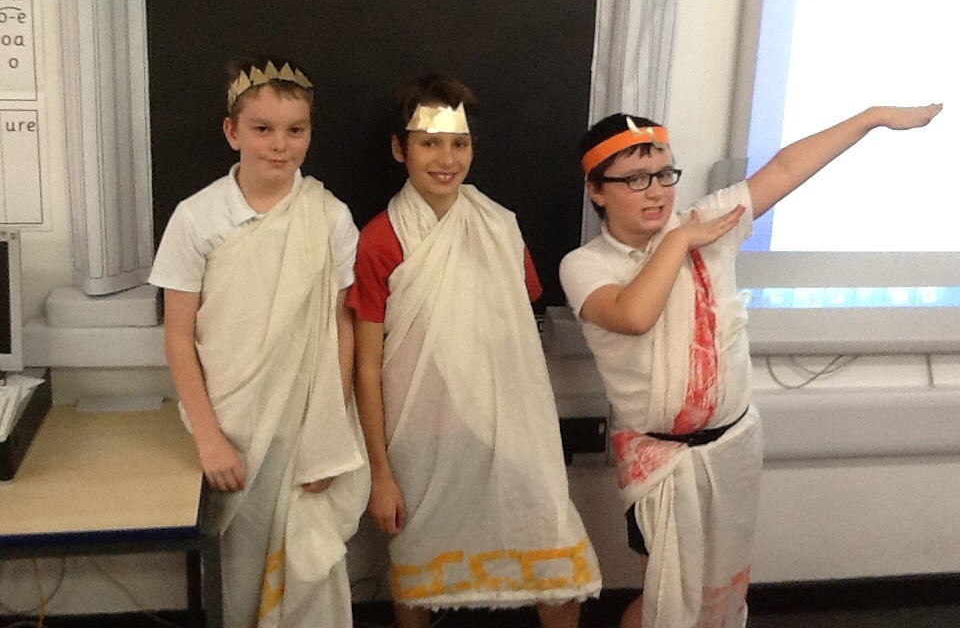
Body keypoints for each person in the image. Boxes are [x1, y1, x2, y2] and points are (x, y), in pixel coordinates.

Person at [559, 104, 942, 628]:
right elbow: (633, 316)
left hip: (732, 447)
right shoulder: (586, 264)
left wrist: (868, 119)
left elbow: (784, 168)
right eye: (635, 179)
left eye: (665, 174)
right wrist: (678, 240)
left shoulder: (707, 226)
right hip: (662, 461)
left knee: (720, 596)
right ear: (597, 190)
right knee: (665, 600)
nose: (656, 192)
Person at [349, 74, 602, 628]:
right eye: (429, 142)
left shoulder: (498, 227)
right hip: (419, 434)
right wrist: (380, 474)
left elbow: (518, 332)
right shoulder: (379, 240)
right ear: (400, 149)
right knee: (418, 567)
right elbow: (366, 367)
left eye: (459, 143)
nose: (446, 159)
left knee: (554, 552)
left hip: (503, 425)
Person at [149, 57, 369, 628]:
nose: (280, 145)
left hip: (302, 423)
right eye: (262, 129)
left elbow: (340, 326)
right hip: (231, 425)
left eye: (296, 130)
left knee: (305, 562)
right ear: (233, 132)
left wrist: (329, 433)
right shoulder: (197, 218)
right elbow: (178, 338)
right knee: (237, 568)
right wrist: (209, 439)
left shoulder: (329, 216)